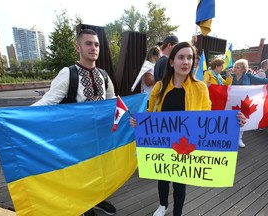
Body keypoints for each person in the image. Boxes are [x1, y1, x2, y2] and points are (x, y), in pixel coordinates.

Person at [130, 42, 246, 216]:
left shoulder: (200, 88)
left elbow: (208, 117)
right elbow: (150, 113)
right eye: (181, 57)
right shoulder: (159, 87)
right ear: (171, 62)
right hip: (163, 143)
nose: (186, 61)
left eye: (190, 57)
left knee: (180, 182)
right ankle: (163, 206)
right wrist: (139, 123)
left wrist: (234, 122)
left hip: (187, 145)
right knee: (162, 177)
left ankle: (177, 212)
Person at [32, 29, 116, 216]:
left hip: (99, 137)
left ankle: (98, 199)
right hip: (76, 138)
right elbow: (47, 102)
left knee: (98, 172)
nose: (93, 48)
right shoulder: (68, 74)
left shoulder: (103, 75)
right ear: (78, 47)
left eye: (96, 44)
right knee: (79, 174)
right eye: (88, 43)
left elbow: (114, 103)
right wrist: (10, 115)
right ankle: (85, 207)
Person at [232, 58, 268, 148]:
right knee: (231, 120)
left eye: (237, 67)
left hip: (244, 103)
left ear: (243, 69)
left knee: (242, 120)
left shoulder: (248, 76)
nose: (235, 69)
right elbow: (219, 82)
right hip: (232, 103)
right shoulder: (229, 76)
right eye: (234, 67)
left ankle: (239, 138)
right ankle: (230, 137)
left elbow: (261, 81)